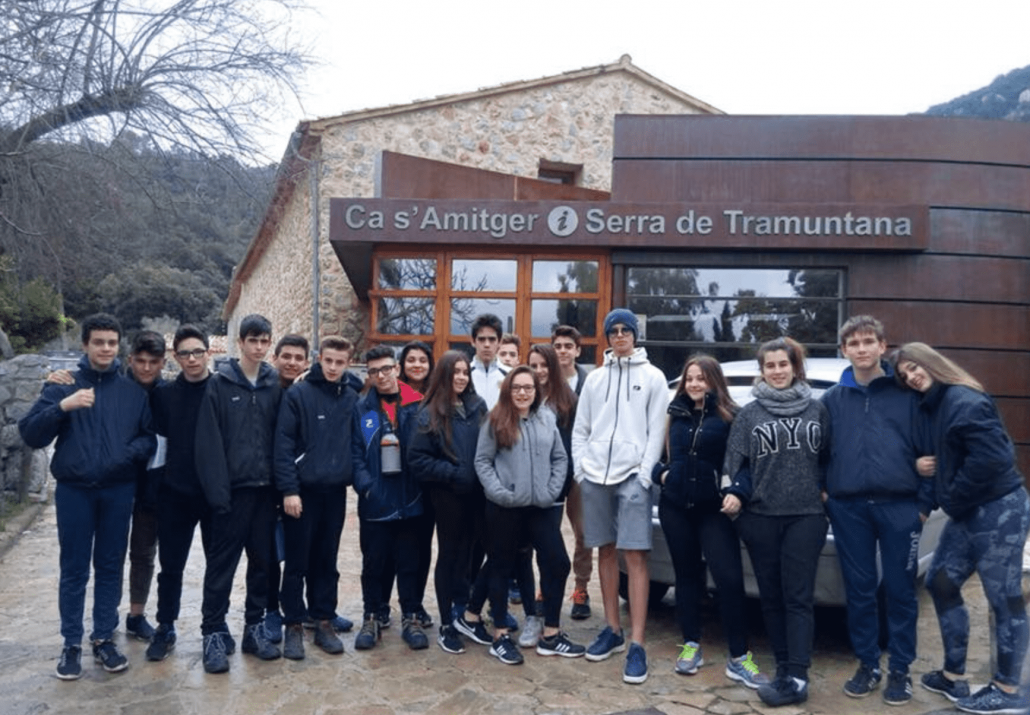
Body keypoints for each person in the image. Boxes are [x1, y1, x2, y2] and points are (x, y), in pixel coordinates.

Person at [893, 343, 1030, 715]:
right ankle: (953, 676)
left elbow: (994, 458)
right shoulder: (936, 404)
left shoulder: (963, 401)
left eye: (914, 367)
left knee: (1004, 597)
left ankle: (1009, 690)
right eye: (904, 375)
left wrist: (952, 496)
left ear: (930, 362)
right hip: (970, 511)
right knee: (941, 580)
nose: (911, 377)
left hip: (999, 509)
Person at [19, 313, 155, 680]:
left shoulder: (132, 393)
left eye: (112, 342)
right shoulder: (63, 385)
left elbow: (147, 438)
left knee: (110, 566)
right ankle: (71, 643)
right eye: (99, 342)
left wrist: (123, 455)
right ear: (85, 345)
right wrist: (62, 406)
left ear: (119, 346)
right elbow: (30, 433)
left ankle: (103, 638)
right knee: (74, 568)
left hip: (118, 491)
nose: (106, 348)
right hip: (74, 491)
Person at [820, 315, 933, 705]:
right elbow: (819, 452)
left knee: (901, 592)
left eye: (869, 341)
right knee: (860, 591)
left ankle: (900, 669)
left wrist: (924, 505)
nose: (862, 348)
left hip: (900, 507)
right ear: (844, 351)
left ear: (883, 347)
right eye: (854, 343)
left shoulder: (907, 395)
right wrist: (825, 495)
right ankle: (868, 664)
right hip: (849, 510)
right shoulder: (832, 401)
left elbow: (930, 450)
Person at [722, 337, 829, 707]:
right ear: (762, 371)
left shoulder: (817, 409)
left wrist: (826, 490)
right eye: (770, 365)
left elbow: (829, 457)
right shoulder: (749, 415)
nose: (777, 371)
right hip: (761, 518)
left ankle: (798, 676)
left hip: (806, 517)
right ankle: (783, 669)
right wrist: (736, 500)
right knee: (771, 597)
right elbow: (733, 465)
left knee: (798, 597)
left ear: (795, 367)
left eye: (783, 364)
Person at [655, 354, 768, 688]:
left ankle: (739, 657)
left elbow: (746, 465)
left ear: (714, 381)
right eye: (689, 378)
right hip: (675, 507)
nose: (694, 384)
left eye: (701, 378)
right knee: (686, 577)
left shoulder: (732, 416)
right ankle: (691, 644)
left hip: (714, 510)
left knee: (729, 579)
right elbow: (657, 456)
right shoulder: (673, 413)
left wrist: (739, 492)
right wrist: (661, 475)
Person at [571, 308, 667, 684]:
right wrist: (581, 471)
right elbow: (581, 429)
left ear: (635, 335)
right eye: (614, 331)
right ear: (608, 336)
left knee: (636, 555)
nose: (621, 335)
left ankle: (637, 643)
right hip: (595, 476)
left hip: (633, 477)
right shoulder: (595, 379)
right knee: (606, 551)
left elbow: (656, 431)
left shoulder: (653, 376)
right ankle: (612, 629)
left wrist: (643, 476)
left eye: (627, 330)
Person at [475, 366, 585, 665]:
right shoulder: (495, 419)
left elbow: (560, 457)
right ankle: (500, 634)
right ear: (508, 390)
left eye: (528, 388)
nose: (522, 393)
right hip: (505, 507)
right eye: (516, 387)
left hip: (540, 506)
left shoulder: (547, 418)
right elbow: (482, 461)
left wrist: (551, 490)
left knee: (557, 563)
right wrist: (500, 492)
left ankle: (551, 634)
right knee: (501, 566)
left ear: (536, 391)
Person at [194, 314, 283, 673]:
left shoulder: (274, 385)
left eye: (264, 341)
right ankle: (213, 633)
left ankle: (254, 629)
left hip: (265, 493)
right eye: (253, 340)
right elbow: (208, 443)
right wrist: (218, 494)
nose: (259, 347)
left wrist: (280, 488)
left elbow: (281, 438)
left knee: (262, 565)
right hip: (231, 494)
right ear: (241, 343)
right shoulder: (219, 385)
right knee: (221, 567)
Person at [274, 336, 359, 660]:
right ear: (319, 358)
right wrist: (289, 490)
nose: (333, 368)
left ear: (348, 363)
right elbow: (283, 446)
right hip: (303, 492)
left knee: (326, 560)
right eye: (329, 361)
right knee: (297, 562)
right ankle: (293, 625)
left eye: (340, 362)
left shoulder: (350, 396)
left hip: (334, 492)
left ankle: (323, 620)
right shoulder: (298, 394)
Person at [408, 351, 488, 654]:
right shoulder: (429, 412)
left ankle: (465, 613)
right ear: (444, 374)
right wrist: (453, 473)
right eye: (456, 372)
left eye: (465, 372)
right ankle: (446, 623)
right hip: (448, 496)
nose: (461, 377)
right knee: (450, 555)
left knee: (473, 554)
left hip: (478, 495)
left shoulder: (478, 406)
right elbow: (417, 458)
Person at [145, 325, 214, 662]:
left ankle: (214, 628)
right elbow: (157, 445)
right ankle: (166, 626)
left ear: (208, 353)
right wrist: (156, 489)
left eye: (197, 352)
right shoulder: (164, 395)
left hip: (214, 495)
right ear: (176, 357)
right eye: (185, 353)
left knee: (217, 567)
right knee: (171, 566)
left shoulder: (223, 391)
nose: (192, 359)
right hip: (175, 494)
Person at [351, 345, 426, 651]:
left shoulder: (418, 404)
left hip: (411, 500)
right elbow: (355, 454)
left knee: (410, 563)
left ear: (397, 369)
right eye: (373, 371)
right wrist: (367, 487)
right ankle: (372, 616)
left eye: (385, 369)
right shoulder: (362, 409)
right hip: (376, 502)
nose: (380, 376)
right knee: (374, 564)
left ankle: (411, 616)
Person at [122, 330, 166, 642]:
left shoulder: (168, 394)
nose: (146, 368)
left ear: (163, 362)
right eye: (140, 361)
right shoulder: (116, 388)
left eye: (153, 361)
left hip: (153, 486)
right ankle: (103, 616)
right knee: (110, 556)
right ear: (130, 360)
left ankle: (136, 615)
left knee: (143, 552)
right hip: (115, 482)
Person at [393, 340, 436, 630]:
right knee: (404, 550)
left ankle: (416, 604)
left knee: (423, 549)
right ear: (402, 365)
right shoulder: (392, 396)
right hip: (400, 484)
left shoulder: (437, 397)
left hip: (429, 486)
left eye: (422, 360)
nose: (417, 365)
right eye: (411, 360)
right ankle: (403, 605)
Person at [551, 325, 593, 620]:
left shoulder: (591, 383)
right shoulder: (543, 382)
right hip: (550, 470)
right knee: (546, 533)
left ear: (578, 350)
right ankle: (546, 588)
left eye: (568, 346)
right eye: (558, 346)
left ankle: (581, 590)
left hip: (581, 470)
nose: (563, 351)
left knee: (584, 533)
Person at [469, 314, 509, 409]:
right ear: (473, 342)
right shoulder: (463, 374)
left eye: (492, 339)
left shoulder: (510, 374)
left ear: (500, 342)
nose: (487, 345)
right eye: (481, 339)